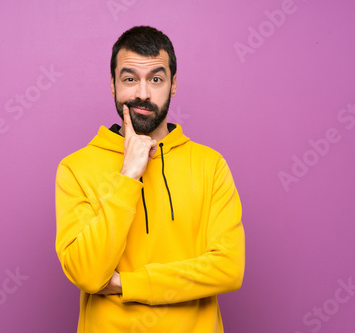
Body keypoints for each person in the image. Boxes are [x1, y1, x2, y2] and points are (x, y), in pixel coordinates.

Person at [55, 25, 245, 332]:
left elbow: (229, 269)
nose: (142, 93)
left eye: (155, 79)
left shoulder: (210, 165)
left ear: (173, 85)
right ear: (113, 85)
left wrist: (127, 284)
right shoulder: (76, 168)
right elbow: (88, 274)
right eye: (130, 79)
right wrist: (128, 174)